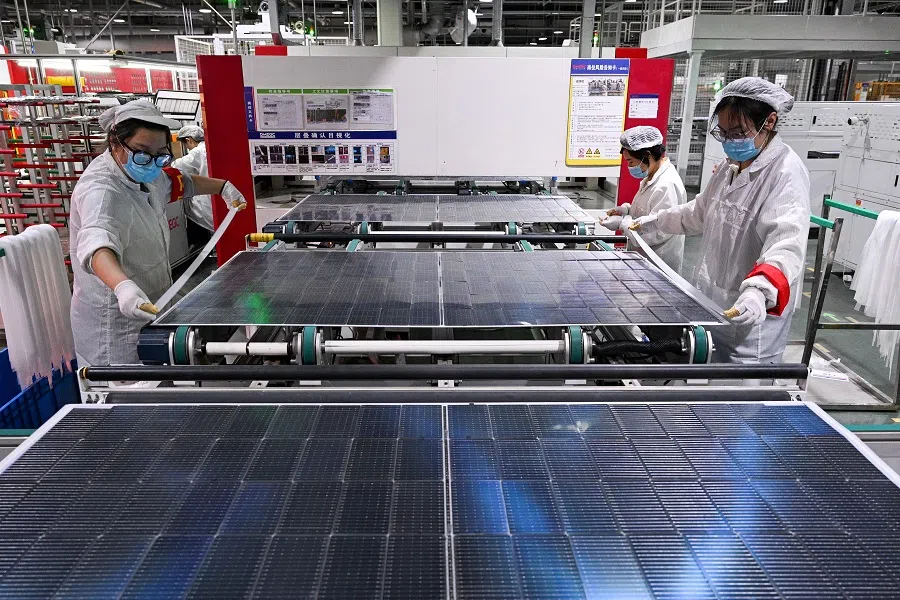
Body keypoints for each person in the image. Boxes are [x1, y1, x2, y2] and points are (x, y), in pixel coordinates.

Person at [630, 77, 810, 363]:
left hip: (751, 320)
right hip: (712, 305)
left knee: (740, 388)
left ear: (769, 122)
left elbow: (786, 244)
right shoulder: (729, 168)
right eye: (724, 133)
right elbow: (697, 213)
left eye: (738, 133)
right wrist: (645, 223)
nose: (730, 141)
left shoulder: (785, 173)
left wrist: (759, 291)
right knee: (709, 378)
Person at [70, 100, 248, 366]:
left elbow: (181, 183)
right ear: (115, 143)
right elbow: (97, 245)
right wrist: (122, 287)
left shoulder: (146, 173)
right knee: (125, 386)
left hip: (154, 301)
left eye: (161, 154)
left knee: (157, 377)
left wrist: (222, 187)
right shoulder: (101, 191)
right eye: (142, 152)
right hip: (116, 319)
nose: (152, 163)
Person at [601, 125, 686, 273]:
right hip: (643, 259)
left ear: (648, 155)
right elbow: (647, 211)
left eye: (631, 162)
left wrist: (622, 224)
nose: (629, 167)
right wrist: (626, 210)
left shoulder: (667, 185)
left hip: (658, 263)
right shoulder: (652, 177)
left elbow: (658, 230)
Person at [173, 125, 214, 231]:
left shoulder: (198, 151)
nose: (188, 149)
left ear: (189, 140)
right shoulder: (210, 146)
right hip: (219, 196)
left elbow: (176, 166)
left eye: (186, 146)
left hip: (209, 203)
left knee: (184, 200)